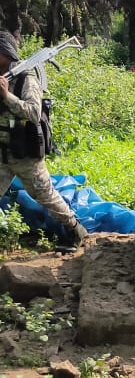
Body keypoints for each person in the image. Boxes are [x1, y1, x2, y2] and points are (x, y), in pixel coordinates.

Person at [0, 31, 87, 249]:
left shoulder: (26, 78)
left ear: (5, 52)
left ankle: (76, 232)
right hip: (2, 152)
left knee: (46, 196)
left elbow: (33, 113)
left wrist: (6, 96)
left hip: (25, 153)